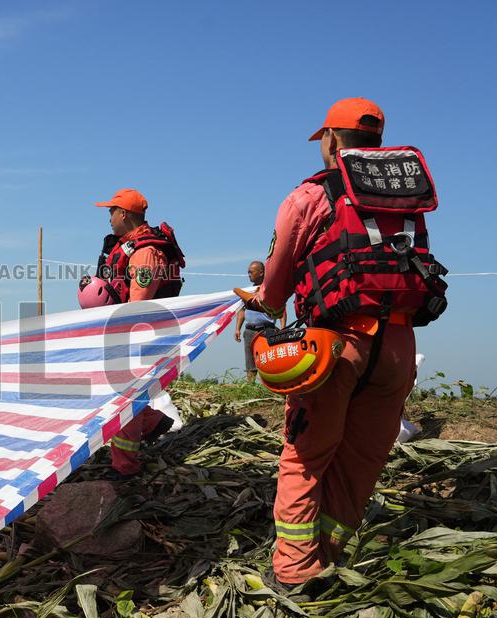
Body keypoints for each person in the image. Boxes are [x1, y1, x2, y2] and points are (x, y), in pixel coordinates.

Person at [235, 98, 447, 589]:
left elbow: (278, 282)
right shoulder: (407, 196)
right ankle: (329, 551)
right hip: (397, 346)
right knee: (361, 458)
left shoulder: (310, 196)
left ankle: (293, 569)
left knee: (306, 457)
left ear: (330, 139)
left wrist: (263, 298)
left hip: (334, 348)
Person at [90, 188, 186, 478]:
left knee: (125, 401)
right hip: (124, 333)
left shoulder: (145, 253)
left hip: (138, 337)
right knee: (123, 396)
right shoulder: (129, 246)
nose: (108, 217)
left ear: (125, 214)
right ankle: (153, 422)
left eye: (111, 211)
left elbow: (138, 307)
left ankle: (124, 467)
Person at [234, 261, 286, 382]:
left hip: (266, 330)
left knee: (269, 359)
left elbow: (281, 309)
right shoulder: (248, 292)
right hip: (250, 330)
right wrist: (237, 329)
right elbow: (242, 311)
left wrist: (283, 327)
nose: (249, 274)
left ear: (261, 273)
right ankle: (250, 386)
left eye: (251, 272)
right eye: (248, 272)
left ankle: (272, 386)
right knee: (250, 362)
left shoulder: (269, 289)